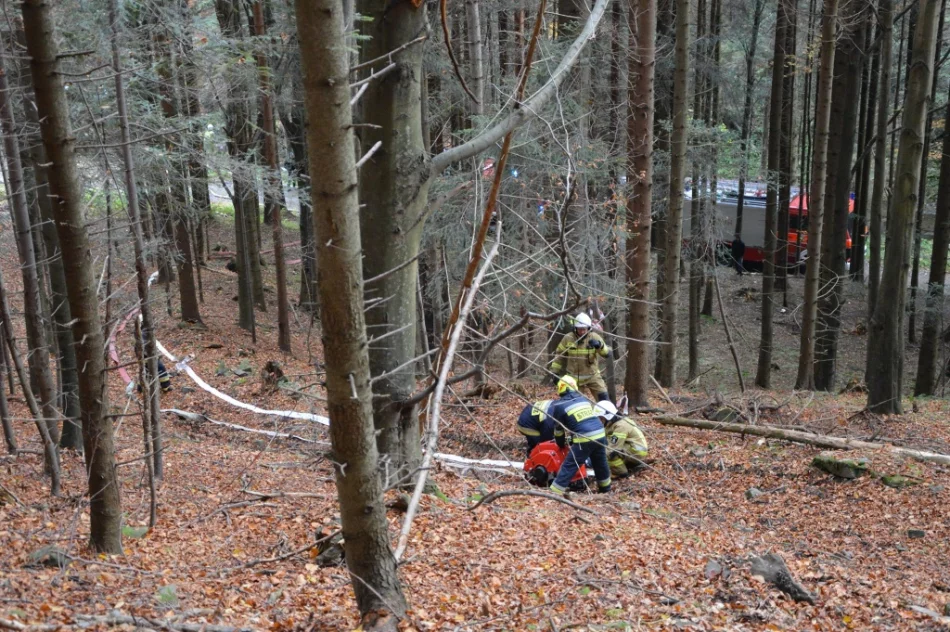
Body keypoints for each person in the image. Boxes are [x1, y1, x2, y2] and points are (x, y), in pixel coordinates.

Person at [548, 376, 611, 495]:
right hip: (600, 432)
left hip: (584, 438)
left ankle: (555, 492)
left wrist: (560, 444)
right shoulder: (583, 399)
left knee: (570, 465)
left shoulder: (559, 406)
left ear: (560, 389)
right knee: (600, 463)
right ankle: (605, 489)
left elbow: (559, 430)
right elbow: (584, 421)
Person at [549, 312, 611, 402]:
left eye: (584, 329)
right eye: (579, 329)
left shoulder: (594, 337)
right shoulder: (568, 338)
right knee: (574, 404)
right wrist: (554, 372)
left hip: (593, 376)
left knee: (604, 399)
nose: (582, 332)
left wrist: (599, 346)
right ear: (575, 328)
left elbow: (607, 354)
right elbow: (559, 355)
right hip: (573, 379)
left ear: (588, 328)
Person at [595, 401, 649, 478]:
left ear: (607, 416)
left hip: (637, 450)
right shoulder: (613, 423)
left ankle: (620, 472)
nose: (599, 420)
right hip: (632, 447)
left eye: (601, 418)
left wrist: (595, 460)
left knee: (611, 453)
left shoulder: (621, 426)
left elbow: (612, 448)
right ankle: (628, 464)